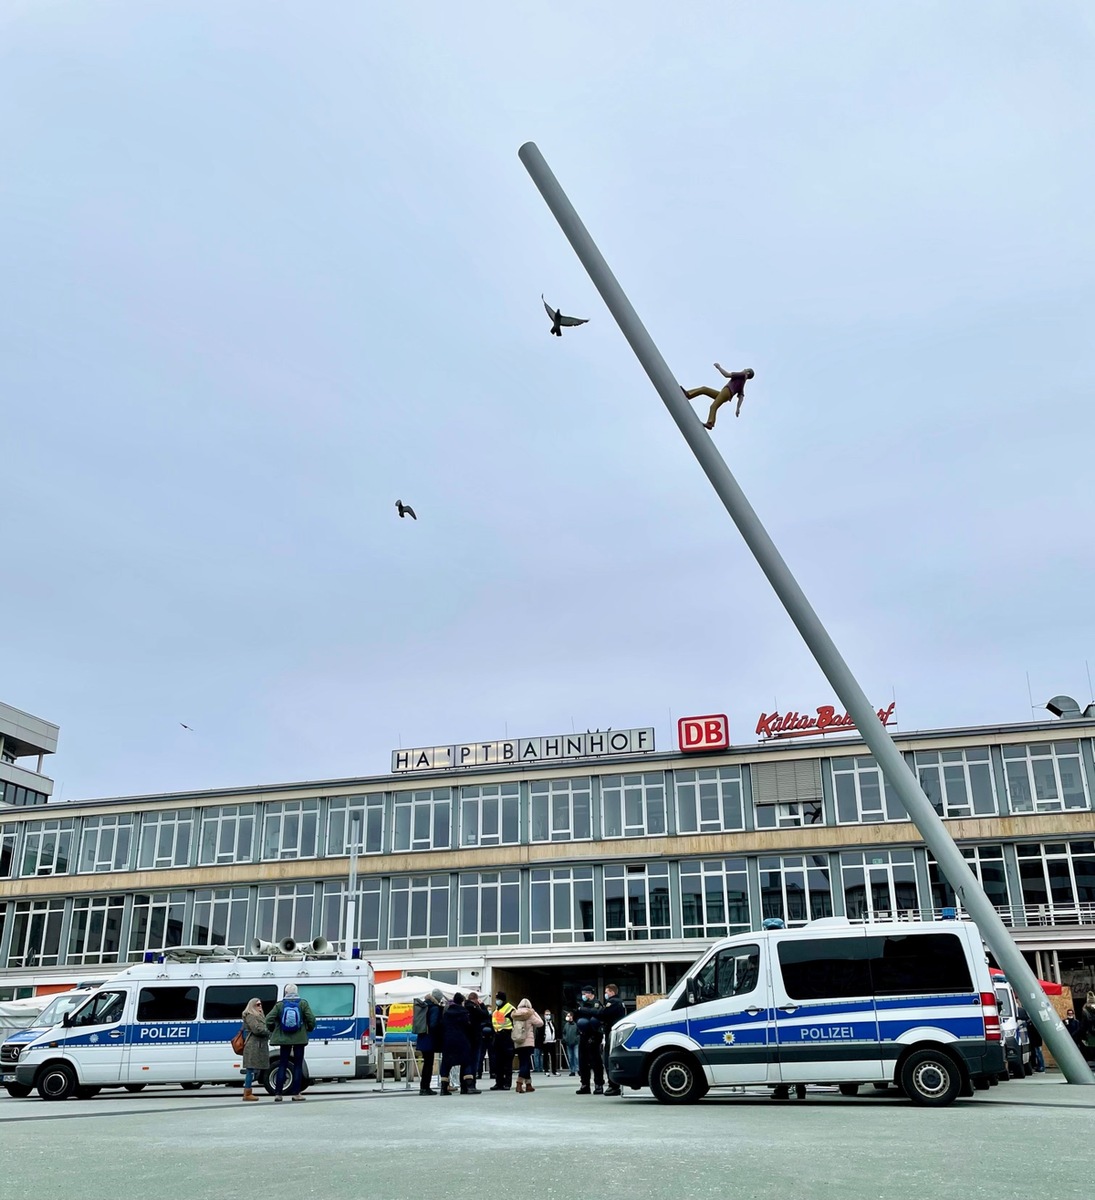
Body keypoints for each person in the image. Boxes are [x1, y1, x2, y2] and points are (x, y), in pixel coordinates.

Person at [265, 982, 316, 1102]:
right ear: (297, 992)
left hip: (284, 1039)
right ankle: (296, 1093)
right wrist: (308, 1029)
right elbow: (311, 1019)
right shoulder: (303, 1003)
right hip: (300, 1039)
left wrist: (274, 1029)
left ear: (286, 992)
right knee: (297, 1065)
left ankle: (278, 1094)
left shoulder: (280, 1005)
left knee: (282, 1064)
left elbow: (268, 1019)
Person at [682, 364, 755, 429]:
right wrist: (738, 408)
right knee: (704, 389)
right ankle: (689, 394)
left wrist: (719, 367)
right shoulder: (743, 382)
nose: (744, 369)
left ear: (747, 372)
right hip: (725, 394)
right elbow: (741, 397)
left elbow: (726, 375)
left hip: (727, 392)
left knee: (713, 406)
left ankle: (710, 423)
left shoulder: (742, 374)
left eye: (745, 369)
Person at [440, 992, 480, 1096]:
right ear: (462, 1002)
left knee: (446, 1064)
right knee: (466, 1062)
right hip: (462, 1041)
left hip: (448, 1041)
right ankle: (467, 1087)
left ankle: (444, 1088)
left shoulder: (447, 1013)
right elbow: (468, 1028)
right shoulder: (464, 1013)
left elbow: (442, 1026)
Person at [574, 985, 605, 1095]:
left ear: (591, 993)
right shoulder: (581, 1004)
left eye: (585, 993)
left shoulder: (596, 1003)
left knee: (595, 1061)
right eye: (582, 994)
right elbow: (576, 1018)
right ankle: (585, 1085)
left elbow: (597, 1013)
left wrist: (582, 1009)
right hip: (583, 1035)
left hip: (594, 1035)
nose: (583, 996)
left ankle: (598, 1085)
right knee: (583, 1061)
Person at [415, 988, 446, 1095]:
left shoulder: (425, 1006)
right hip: (430, 1039)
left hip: (422, 1038)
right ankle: (425, 1088)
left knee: (426, 1063)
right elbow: (433, 1024)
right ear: (438, 998)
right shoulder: (434, 1008)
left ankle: (424, 1087)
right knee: (429, 1064)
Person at [510, 997, 544, 1094]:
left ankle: (528, 1084)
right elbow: (540, 1023)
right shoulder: (529, 1014)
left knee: (523, 1062)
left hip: (518, 1041)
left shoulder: (515, 1014)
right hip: (527, 1041)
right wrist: (534, 1012)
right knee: (526, 1063)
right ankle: (519, 1083)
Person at [239, 996, 270, 1102]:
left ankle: (248, 1092)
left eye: (260, 1004)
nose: (260, 1006)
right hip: (252, 1046)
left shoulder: (259, 1015)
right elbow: (257, 1029)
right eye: (257, 1004)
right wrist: (269, 1031)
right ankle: (247, 1093)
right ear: (252, 1006)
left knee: (252, 1069)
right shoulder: (250, 1015)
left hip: (258, 1045)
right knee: (250, 1069)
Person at [600, 984, 626, 1097]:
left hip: (612, 1033)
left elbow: (603, 1014)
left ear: (611, 992)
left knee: (608, 1059)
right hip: (615, 1033)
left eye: (606, 992)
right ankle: (614, 1085)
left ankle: (613, 1086)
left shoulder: (613, 1002)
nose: (605, 994)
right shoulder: (620, 1002)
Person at [490, 991, 516, 1091]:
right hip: (497, 1037)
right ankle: (498, 1083)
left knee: (507, 1062)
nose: (497, 1001)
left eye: (498, 999)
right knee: (498, 1062)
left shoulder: (510, 1009)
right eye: (496, 999)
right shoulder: (497, 1009)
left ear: (503, 999)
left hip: (507, 1037)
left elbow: (515, 1024)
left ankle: (507, 1083)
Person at [466, 992, 490, 1081]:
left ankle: (466, 1083)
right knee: (475, 1058)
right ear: (476, 999)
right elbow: (485, 1014)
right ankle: (472, 1082)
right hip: (476, 1036)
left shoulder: (464, 1007)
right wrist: (482, 1005)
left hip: (466, 1037)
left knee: (467, 1060)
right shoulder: (475, 1008)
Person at [1019, 1008, 1044, 1072]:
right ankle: (1039, 1066)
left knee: (1038, 1053)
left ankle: (1041, 1066)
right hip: (1035, 1039)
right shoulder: (1032, 1022)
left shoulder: (1033, 1022)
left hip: (1036, 1039)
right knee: (1036, 1053)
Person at [540, 1008, 559, 1076]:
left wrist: (555, 1038)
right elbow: (540, 1032)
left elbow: (554, 1031)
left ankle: (554, 1070)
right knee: (546, 1057)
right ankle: (546, 1070)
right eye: (546, 1014)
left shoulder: (552, 1023)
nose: (548, 1015)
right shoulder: (542, 1023)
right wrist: (542, 1040)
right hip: (546, 1042)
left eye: (549, 1014)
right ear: (544, 1015)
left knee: (554, 1057)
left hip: (552, 1042)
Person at [562, 1011, 580, 1076]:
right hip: (568, 1043)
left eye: (569, 1016)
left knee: (576, 1056)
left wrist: (576, 1039)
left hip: (575, 1043)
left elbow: (579, 1033)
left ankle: (578, 1069)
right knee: (570, 1057)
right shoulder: (566, 1025)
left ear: (572, 1017)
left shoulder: (576, 1024)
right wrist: (565, 1039)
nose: (567, 1017)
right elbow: (564, 1032)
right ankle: (572, 1070)